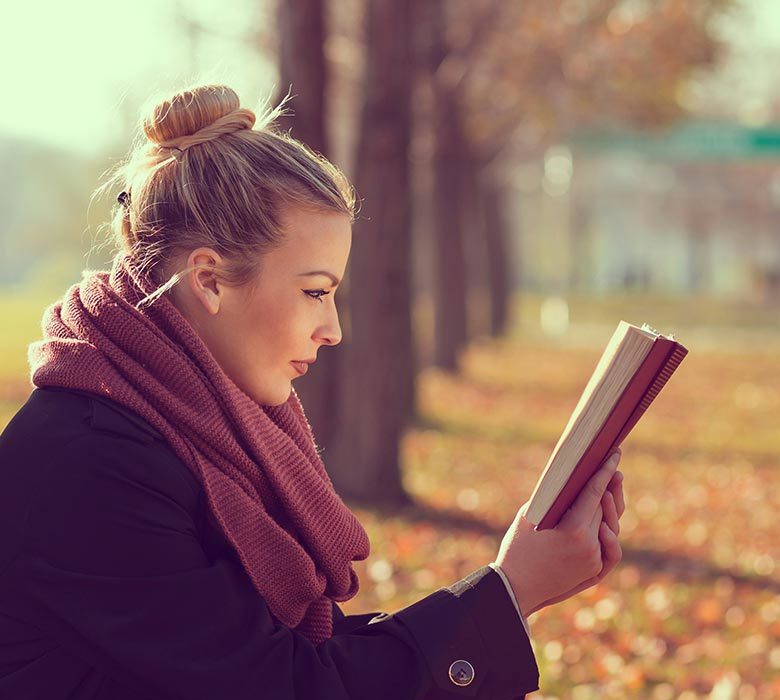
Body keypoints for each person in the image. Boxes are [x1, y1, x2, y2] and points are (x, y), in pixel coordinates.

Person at [0, 84, 627, 700]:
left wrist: (511, 590)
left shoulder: (176, 425)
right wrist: (510, 589)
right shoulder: (89, 462)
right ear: (211, 280)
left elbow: (278, 661)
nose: (332, 331)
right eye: (315, 292)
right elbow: (282, 684)